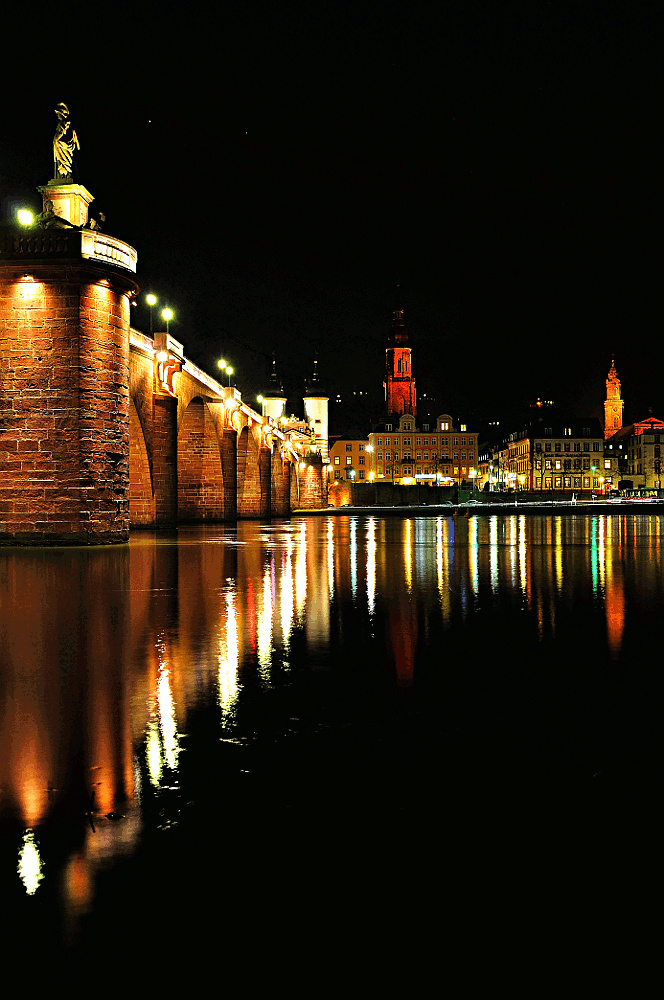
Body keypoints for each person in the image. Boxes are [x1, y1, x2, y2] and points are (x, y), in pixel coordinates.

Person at [53, 103, 80, 180]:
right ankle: (67, 175)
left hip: (62, 148)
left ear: (62, 114)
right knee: (68, 163)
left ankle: (65, 175)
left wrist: (56, 141)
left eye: (58, 114)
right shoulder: (70, 126)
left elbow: (58, 137)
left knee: (64, 164)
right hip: (67, 149)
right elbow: (77, 144)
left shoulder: (62, 123)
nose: (57, 116)